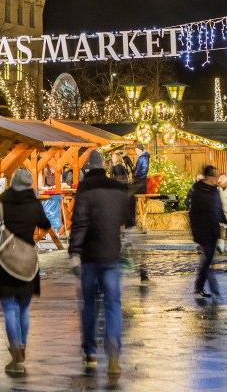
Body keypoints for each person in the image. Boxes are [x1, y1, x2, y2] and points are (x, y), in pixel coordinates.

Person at [69, 150, 134, 376]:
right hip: (111, 255)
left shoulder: (84, 189)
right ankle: (114, 349)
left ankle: (90, 353)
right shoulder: (117, 188)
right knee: (113, 303)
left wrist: (74, 251)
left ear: (88, 167)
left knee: (89, 305)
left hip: (89, 256)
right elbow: (128, 218)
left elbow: (79, 222)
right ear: (104, 167)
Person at [0, 167, 51, 377]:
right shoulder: (34, 204)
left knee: (9, 309)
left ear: (12, 184)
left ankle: (15, 354)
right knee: (23, 309)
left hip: (4, 263)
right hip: (27, 264)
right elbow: (46, 224)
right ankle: (22, 346)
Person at [189, 165, 226, 303]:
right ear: (209, 177)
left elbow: (218, 207)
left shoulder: (213, 190)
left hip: (213, 229)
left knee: (207, 261)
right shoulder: (198, 192)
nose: (217, 179)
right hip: (203, 230)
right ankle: (215, 291)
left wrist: (224, 220)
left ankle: (198, 288)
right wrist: (196, 232)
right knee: (208, 261)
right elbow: (193, 214)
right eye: (215, 176)